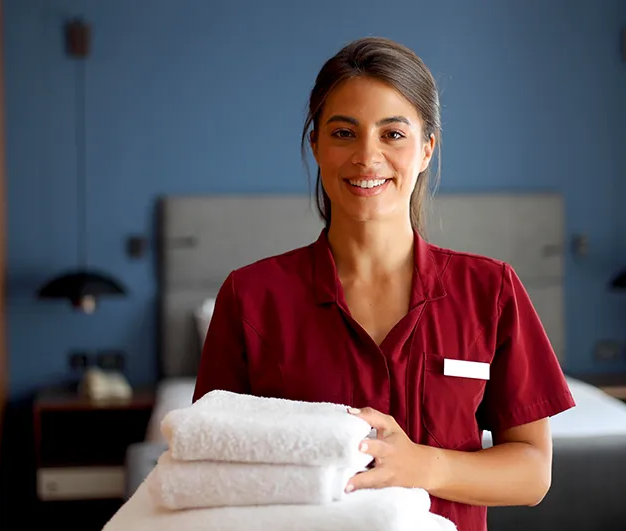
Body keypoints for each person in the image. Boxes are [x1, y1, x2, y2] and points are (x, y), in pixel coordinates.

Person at [193, 36, 576, 531]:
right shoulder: (250, 296)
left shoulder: (491, 290)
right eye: (344, 133)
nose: (367, 156)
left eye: (393, 134)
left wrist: (423, 465)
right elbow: (210, 464)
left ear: (426, 148)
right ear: (316, 146)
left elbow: (532, 473)